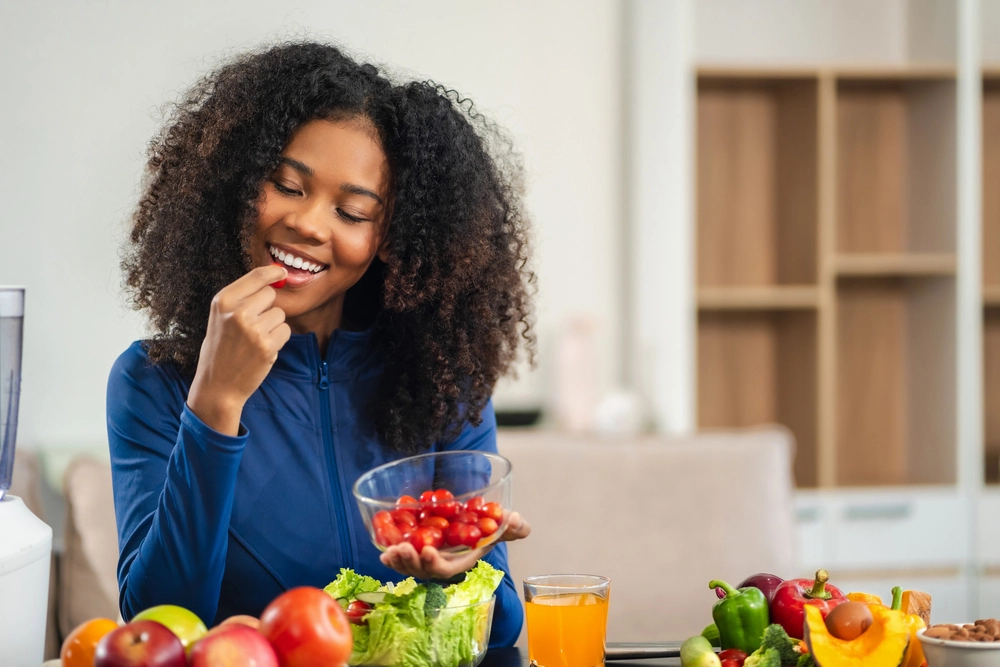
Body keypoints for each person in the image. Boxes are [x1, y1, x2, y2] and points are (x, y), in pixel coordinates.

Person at [107, 41, 534, 647]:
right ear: (237, 183)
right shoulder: (153, 381)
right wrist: (215, 404)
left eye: (353, 212)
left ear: (389, 239)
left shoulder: (440, 380)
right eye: (287, 185)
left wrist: (451, 571)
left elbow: (504, 625)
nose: (309, 224)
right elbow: (155, 627)